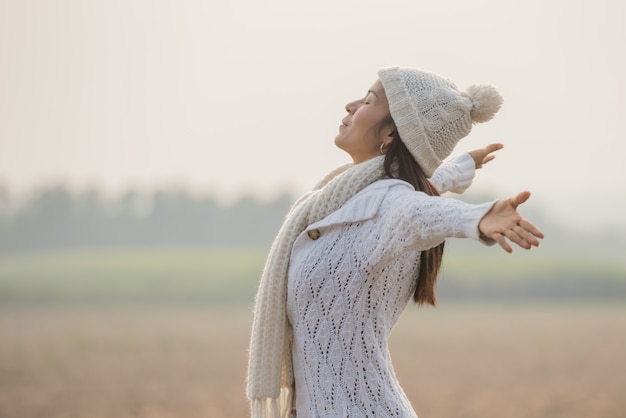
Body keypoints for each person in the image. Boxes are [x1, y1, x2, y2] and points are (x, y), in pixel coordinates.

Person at [246, 67, 544, 418]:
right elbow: (415, 185)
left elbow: (417, 212)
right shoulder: (344, 198)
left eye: (368, 101)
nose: (350, 105)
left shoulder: (389, 204)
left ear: (390, 131)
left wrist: (476, 218)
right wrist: (460, 167)